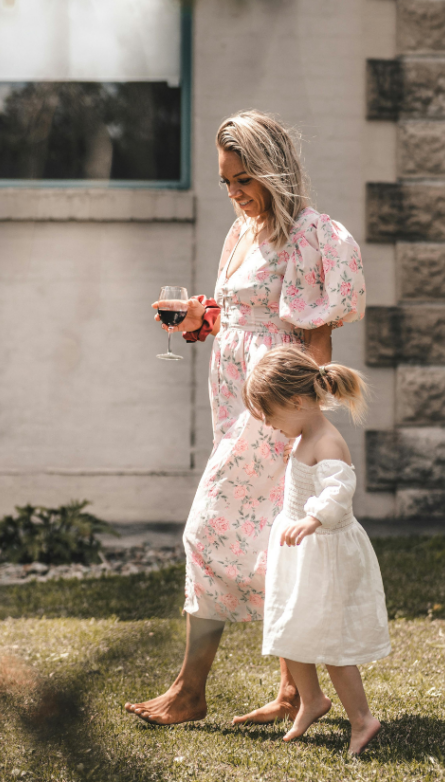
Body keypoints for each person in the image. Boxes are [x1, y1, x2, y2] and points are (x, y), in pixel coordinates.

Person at [124, 111, 366, 726]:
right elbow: (238, 317)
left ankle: (189, 691)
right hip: (233, 402)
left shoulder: (309, 235)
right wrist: (199, 319)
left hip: (271, 410)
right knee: (266, 538)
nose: (233, 192)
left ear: (271, 170)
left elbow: (314, 343)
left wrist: (295, 422)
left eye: (243, 179)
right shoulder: (242, 231)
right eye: (226, 181)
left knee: (206, 530)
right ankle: (293, 692)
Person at [245, 346, 389, 756]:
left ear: (295, 401)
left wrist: (312, 520)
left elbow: (338, 490)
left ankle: (362, 719)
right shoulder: (305, 433)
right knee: (293, 630)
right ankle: (312, 700)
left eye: (271, 415)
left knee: (331, 643)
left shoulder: (326, 441)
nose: (270, 424)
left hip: (324, 552)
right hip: (301, 550)